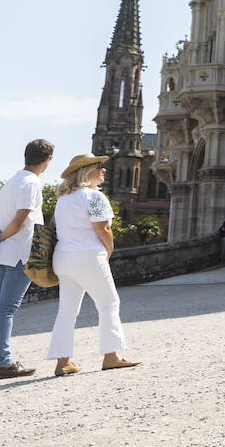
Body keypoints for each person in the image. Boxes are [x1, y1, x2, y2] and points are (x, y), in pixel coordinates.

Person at [46, 154, 140, 376]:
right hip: (88, 256)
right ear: (87, 171)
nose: (104, 170)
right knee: (109, 304)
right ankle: (111, 356)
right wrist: (109, 250)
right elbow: (103, 229)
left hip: (63, 258)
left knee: (67, 311)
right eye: (100, 167)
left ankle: (63, 362)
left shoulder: (63, 199)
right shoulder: (95, 197)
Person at [0, 139, 53, 380]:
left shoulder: (10, 182)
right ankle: (3, 363)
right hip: (21, 251)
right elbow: (20, 221)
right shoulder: (32, 183)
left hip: (6, 253)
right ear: (47, 160)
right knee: (6, 309)